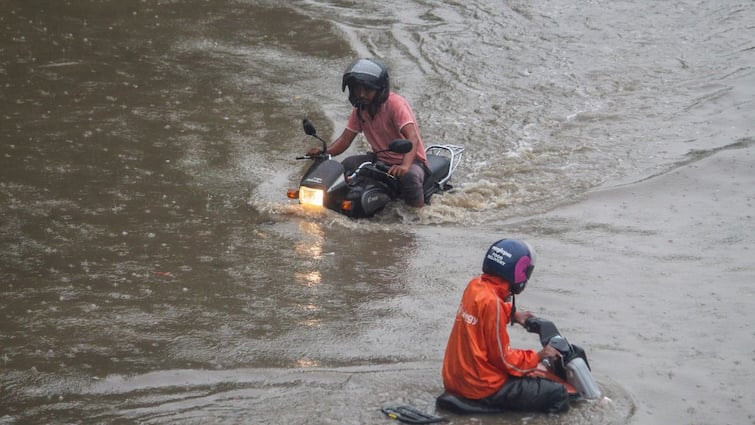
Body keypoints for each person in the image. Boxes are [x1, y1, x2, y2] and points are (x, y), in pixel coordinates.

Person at [441, 239, 571, 414]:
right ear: (518, 272)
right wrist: (539, 356)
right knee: (558, 394)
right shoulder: (494, 303)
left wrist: (513, 315)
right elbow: (503, 359)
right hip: (481, 386)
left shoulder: (475, 286)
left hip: (455, 379)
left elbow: (483, 315)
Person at [307, 58, 429, 208]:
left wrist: (404, 166)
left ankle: (419, 215)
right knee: (347, 164)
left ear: (380, 90)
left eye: (367, 90)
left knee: (410, 178)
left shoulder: (395, 104)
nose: (362, 94)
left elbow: (413, 138)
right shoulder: (360, 110)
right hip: (380, 159)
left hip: (411, 160)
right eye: (358, 89)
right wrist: (324, 152)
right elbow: (345, 139)